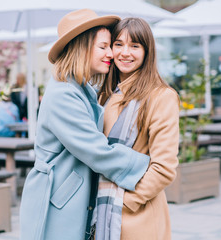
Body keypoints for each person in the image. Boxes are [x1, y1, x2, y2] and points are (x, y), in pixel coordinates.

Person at [19, 9, 150, 240]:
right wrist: (148, 164)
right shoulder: (63, 94)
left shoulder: (81, 89)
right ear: (82, 47)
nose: (111, 53)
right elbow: (97, 151)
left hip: (70, 198)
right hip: (57, 203)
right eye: (103, 47)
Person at [98, 17, 180, 239]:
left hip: (139, 216)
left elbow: (164, 167)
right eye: (119, 44)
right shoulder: (105, 94)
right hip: (102, 213)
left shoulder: (161, 96)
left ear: (147, 51)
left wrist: (126, 201)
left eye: (135, 46)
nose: (125, 52)